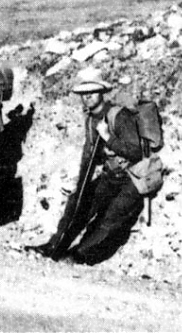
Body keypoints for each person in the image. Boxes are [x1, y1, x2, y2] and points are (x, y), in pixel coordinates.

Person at [26, 67, 144, 265]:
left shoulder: (119, 116)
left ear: (101, 93)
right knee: (78, 203)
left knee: (111, 218)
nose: (87, 97)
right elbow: (89, 154)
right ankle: (54, 247)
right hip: (111, 174)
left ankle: (79, 255)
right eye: (83, 93)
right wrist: (81, 186)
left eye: (92, 92)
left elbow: (136, 152)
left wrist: (108, 138)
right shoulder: (91, 120)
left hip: (133, 177)